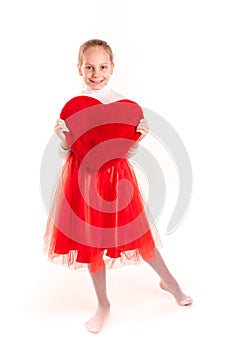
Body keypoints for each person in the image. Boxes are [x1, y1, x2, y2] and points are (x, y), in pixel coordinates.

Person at [44, 39, 192, 334]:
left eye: (102, 67)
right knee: (92, 244)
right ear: (79, 69)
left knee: (137, 234)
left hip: (116, 181)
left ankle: (169, 281)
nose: (96, 73)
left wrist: (139, 137)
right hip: (83, 181)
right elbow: (69, 150)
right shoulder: (74, 107)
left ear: (112, 68)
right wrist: (63, 138)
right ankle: (103, 304)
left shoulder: (123, 104)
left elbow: (124, 149)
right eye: (89, 67)